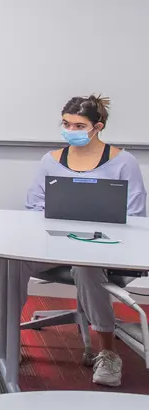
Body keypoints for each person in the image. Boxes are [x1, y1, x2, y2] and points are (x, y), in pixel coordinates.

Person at [19, 94, 143, 387]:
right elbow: (33, 207)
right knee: (16, 261)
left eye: (78, 125)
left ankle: (108, 352)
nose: (69, 130)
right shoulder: (50, 161)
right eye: (65, 123)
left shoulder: (123, 163)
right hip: (55, 243)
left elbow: (137, 214)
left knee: (86, 267)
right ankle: (10, 338)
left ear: (97, 126)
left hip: (102, 248)